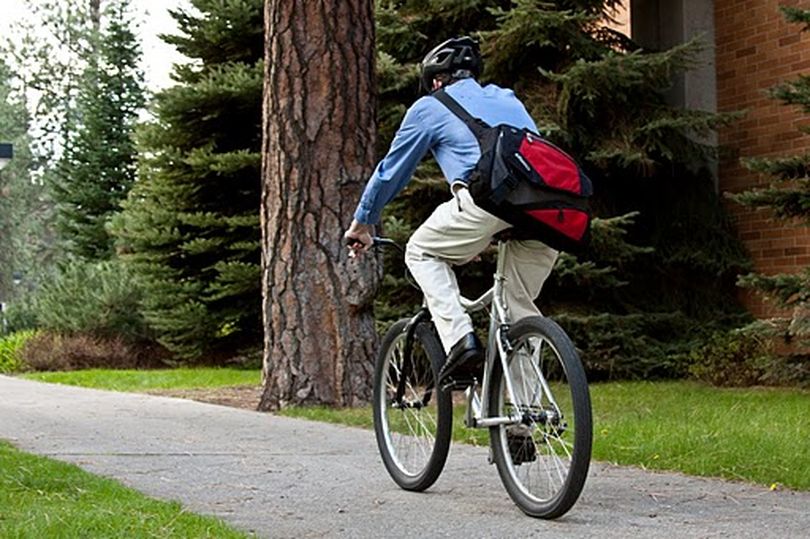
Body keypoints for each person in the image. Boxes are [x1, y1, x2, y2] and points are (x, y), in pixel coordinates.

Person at [344, 36, 558, 388]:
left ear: (437, 80)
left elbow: (391, 171)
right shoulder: (508, 98)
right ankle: (524, 428)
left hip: (487, 202)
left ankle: (460, 340)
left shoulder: (430, 106)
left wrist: (363, 222)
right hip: (545, 208)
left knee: (420, 250)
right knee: (519, 312)